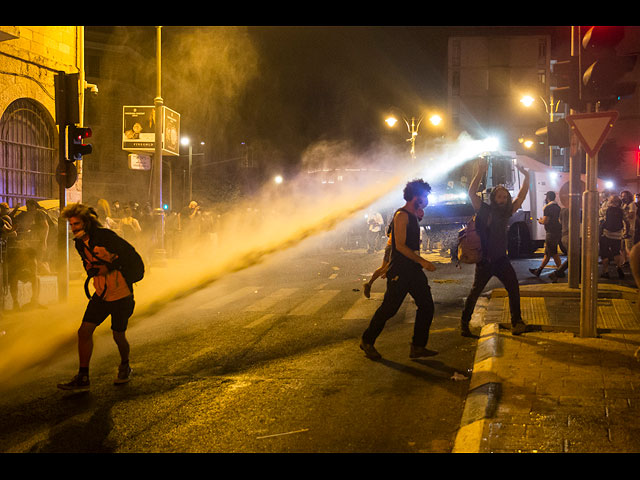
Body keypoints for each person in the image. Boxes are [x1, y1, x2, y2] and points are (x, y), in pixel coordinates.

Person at [57, 203, 143, 391]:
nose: (74, 228)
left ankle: (125, 365)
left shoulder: (107, 237)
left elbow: (131, 257)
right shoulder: (79, 243)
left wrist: (110, 267)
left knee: (118, 335)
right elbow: (87, 261)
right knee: (84, 332)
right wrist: (90, 268)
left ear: (87, 223)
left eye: (77, 224)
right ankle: (83, 376)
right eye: (71, 225)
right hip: (101, 295)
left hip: (121, 295)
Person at [360, 180, 437, 360]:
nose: (426, 200)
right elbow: (400, 246)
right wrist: (423, 261)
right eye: (424, 196)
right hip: (401, 271)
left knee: (426, 306)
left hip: (413, 270)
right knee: (389, 309)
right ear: (416, 197)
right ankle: (367, 340)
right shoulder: (401, 216)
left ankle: (417, 346)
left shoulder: (413, 215)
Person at [460, 157, 530, 337]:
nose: (502, 199)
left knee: (513, 287)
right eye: (499, 196)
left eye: (505, 197)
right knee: (475, 292)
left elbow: (521, 196)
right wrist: (480, 172)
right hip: (485, 261)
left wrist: (527, 176)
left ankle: (517, 322)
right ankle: (464, 324)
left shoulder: (507, 212)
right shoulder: (484, 210)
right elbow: (471, 193)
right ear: (493, 197)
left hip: (501, 260)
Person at [363, 208, 423, 299]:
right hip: (394, 247)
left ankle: (369, 284)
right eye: (420, 215)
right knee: (390, 268)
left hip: (390, 245)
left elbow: (388, 233)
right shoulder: (407, 221)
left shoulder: (398, 219)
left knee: (386, 268)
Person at [529, 191, 562, 278]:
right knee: (547, 253)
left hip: (550, 232)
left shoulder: (547, 208)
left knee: (554, 253)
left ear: (547, 198)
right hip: (557, 231)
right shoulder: (558, 207)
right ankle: (538, 271)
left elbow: (545, 221)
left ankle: (561, 271)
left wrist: (540, 221)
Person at [599, 195, 626, 279]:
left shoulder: (605, 209)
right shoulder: (622, 211)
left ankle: (605, 271)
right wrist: (626, 232)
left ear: (610, 201)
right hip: (617, 235)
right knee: (616, 252)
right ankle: (619, 267)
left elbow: (598, 216)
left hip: (606, 234)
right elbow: (627, 221)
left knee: (605, 252)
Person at [620, 190, 636, 263]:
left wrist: (624, 212)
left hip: (629, 228)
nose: (623, 198)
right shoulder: (624, 204)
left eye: (625, 196)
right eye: (622, 196)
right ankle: (625, 260)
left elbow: (631, 216)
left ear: (629, 196)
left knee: (629, 246)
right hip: (623, 228)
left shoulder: (631, 204)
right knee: (622, 246)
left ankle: (631, 261)